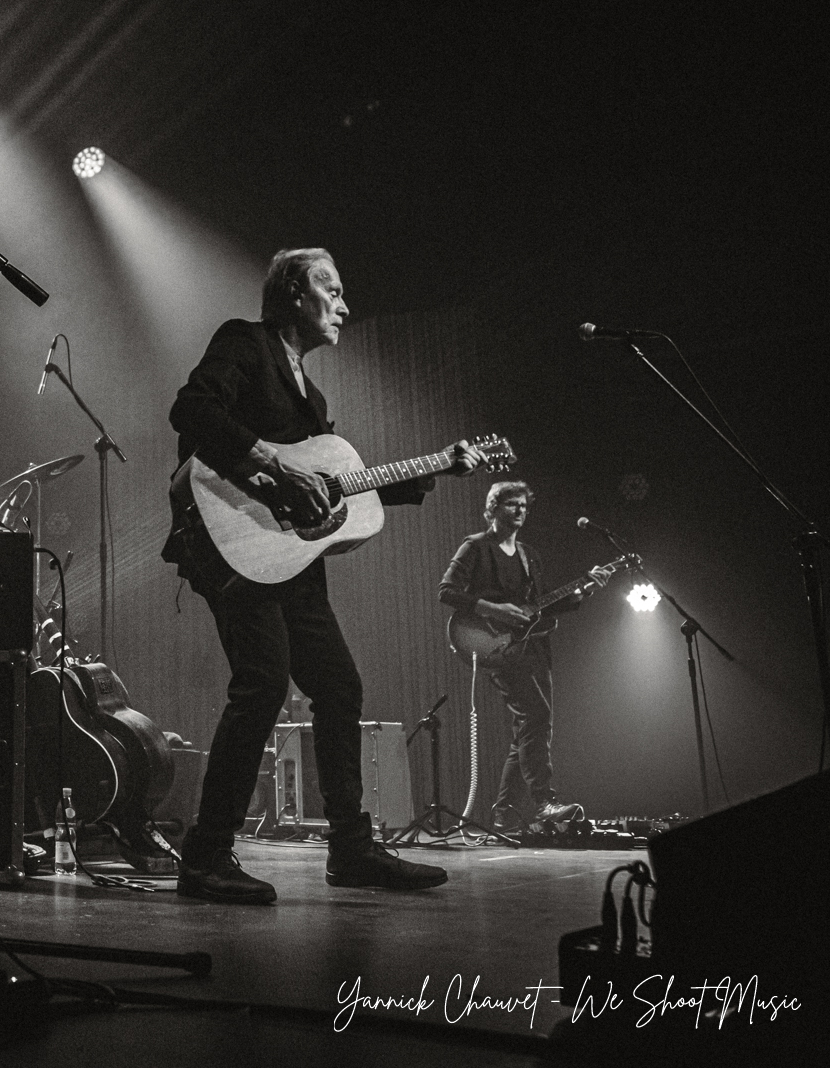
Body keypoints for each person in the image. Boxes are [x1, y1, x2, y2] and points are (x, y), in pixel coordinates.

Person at [162, 248, 479, 903]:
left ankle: (352, 850)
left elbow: (334, 488)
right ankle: (205, 856)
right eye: (330, 290)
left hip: (291, 561)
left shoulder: (315, 398)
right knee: (263, 683)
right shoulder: (245, 342)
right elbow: (192, 409)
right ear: (292, 294)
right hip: (228, 539)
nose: (344, 305)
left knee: (338, 687)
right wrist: (274, 469)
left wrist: (431, 470)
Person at [438, 481, 604, 833]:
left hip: (531, 647)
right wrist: (493, 609)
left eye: (524, 506)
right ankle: (544, 801)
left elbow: (538, 608)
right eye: (512, 504)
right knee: (535, 716)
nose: (520, 510)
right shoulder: (475, 547)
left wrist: (582, 591)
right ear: (493, 508)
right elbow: (447, 591)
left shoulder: (530, 555)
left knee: (531, 726)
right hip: (492, 643)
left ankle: (505, 812)